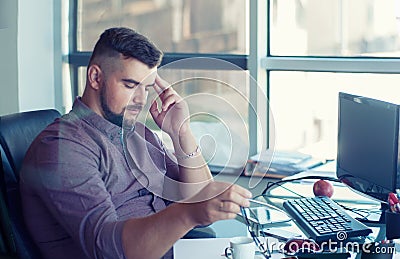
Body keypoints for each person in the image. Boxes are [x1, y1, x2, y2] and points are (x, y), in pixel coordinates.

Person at [19, 27, 252, 259]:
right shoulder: (63, 147)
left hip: (181, 249)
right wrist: (189, 213)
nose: (140, 99)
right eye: (131, 85)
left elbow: (198, 198)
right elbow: (108, 249)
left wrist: (181, 135)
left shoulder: (138, 133)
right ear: (95, 77)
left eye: (147, 88)